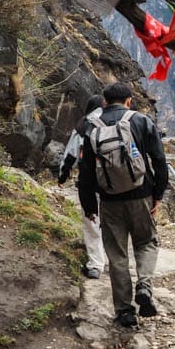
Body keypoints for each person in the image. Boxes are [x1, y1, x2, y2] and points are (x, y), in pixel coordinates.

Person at [78, 82, 168, 328]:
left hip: (109, 200)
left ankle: (125, 312)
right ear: (129, 100)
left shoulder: (92, 128)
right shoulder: (141, 121)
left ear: (104, 102)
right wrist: (158, 194)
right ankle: (145, 286)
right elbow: (160, 160)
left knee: (117, 254)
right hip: (141, 196)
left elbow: (85, 172)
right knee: (147, 242)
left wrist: (89, 206)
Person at [58, 94, 107, 280]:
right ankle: (116, 259)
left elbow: (70, 154)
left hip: (90, 181)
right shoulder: (120, 121)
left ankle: (96, 264)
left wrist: (63, 176)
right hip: (119, 183)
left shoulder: (84, 124)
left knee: (92, 222)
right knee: (112, 219)